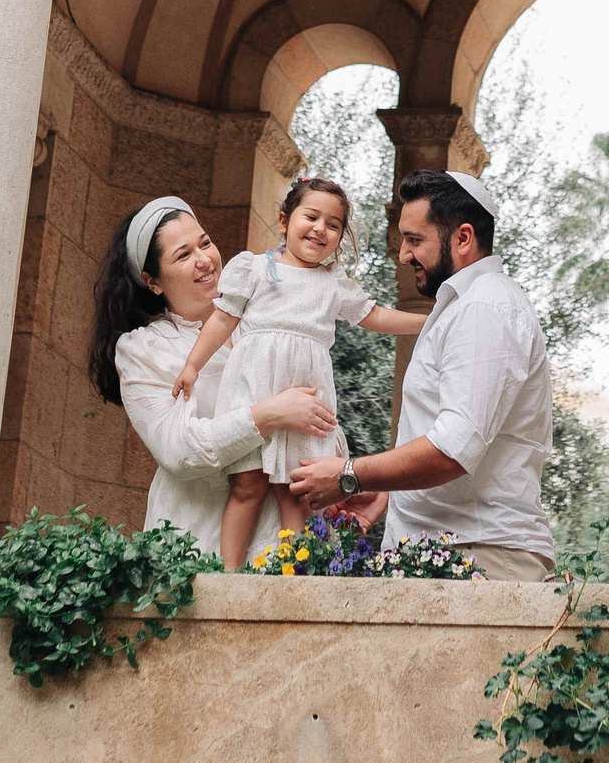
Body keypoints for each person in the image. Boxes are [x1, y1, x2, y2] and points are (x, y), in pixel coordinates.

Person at [287, 169, 556, 581]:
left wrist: (349, 475)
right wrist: (389, 494)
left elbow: (454, 447)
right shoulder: (462, 306)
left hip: (482, 555)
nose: (403, 256)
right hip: (451, 552)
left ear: (463, 238)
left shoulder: (484, 308)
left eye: (415, 241)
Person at [172, 177, 426, 568]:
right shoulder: (254, 269)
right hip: (254, 390)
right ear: (284, 220)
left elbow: (373, 315)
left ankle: (300, 574)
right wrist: (192, 365)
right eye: (311, 216)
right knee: (247, 484)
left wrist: (426, 322)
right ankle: (226, 573)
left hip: (306, 398)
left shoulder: (332, 283)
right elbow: (223, 320)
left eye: (334, 224)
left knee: (298, 489)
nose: (320, 228)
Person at [89, 196, 340, 556]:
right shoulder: (145, 348)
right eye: (183, 255)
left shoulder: (262, 319)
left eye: (204, 243)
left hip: (288, 548)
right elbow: (179, 450)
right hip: (200, 549)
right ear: (153, 281)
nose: (205, 259)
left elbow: (308, 415)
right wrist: (270, 414)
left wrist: (348, 472)